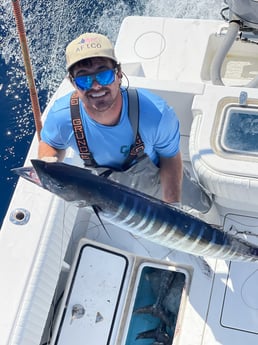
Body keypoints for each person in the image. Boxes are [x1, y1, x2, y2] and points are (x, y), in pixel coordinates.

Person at [38, 32, 183, 204]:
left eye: (104, 74)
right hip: (113, 198)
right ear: (73, 83)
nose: (96, 86)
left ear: (119, 74)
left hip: (162, 182)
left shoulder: (156, 114)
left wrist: (171, 207)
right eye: (84, 79)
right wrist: (48, 162)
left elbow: (171, 158)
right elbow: (51, 143)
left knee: (203, 209)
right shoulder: (61, 117)